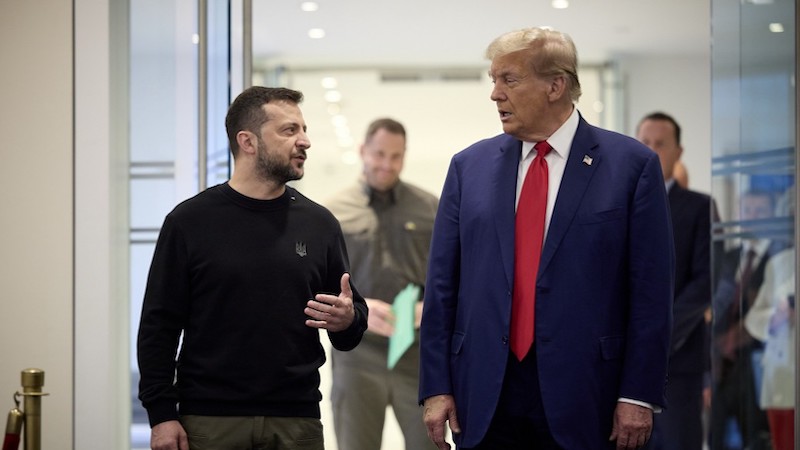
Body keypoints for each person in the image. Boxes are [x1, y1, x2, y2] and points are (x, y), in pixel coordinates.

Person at [418, 27, 675, 450]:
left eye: (510, 80)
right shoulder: (469, 167)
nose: (495, 94)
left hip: (589, 394)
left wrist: (638, 394)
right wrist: (436, 387)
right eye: (494, 80)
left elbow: (651, 293)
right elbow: (442, 285)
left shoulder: (631, 167)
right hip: (483, 393)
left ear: (556, 85)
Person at [137, 86, 369, 450]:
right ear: (248, 141)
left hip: (297, 421)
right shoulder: (190, 221)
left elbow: (350, 323)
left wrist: (348, 319)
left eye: (304, 129)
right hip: (208, 421)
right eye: (289, 130)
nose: (305, 140)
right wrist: (162, 414)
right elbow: (158, 326)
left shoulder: (319, 224)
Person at [326, 118, 439, 450]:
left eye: (395, 156)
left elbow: (453, 275)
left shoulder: (430, 208)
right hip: (357, 351)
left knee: (428, 444)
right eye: (379, 154)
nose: (386, 164)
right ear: (363, 151)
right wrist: (358, 308)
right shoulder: (334, 212)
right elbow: (317, 280)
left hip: (418, 352)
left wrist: (428, 308)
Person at [636, 112, 712, 450]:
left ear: (678, 152)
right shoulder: (616, 207)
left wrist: (660, 332)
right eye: (644, 144)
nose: (651, 151)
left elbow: (706, 280)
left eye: (660, 144)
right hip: (622, 366)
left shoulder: (699, 208)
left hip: (677, 364)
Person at [711, 189, 784, 450]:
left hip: (758, 366)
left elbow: (776, 314)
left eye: (760, 211)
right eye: (747, 211)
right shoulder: (728, 258)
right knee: (713, 439)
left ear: (773, 215)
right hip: (720, 367)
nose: (752, 218)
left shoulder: (781, 258)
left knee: (757, 439)